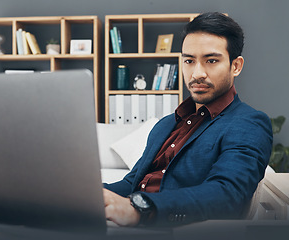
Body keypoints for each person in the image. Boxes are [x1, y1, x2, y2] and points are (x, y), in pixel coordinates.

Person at [103, 12, 273, 228]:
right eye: (189, 61)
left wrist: (140, 208)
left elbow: (227, 193)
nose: (197, 73)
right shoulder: (166, 124)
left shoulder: (249, 123)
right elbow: (133, 182)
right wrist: (87, 195)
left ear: (236, 66)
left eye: (211, 60)